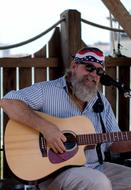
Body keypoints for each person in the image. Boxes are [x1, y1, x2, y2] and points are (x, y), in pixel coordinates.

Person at [1, 47, 131, 190]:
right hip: (55, 172)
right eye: (89, 68)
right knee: (98, 182)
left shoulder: (101, 102)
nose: (93, 74)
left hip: (96, 167)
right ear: (74, 67)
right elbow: (8, 102)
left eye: (99, 71)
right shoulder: (48, 91)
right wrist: (46, 128)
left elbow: (114, 143)